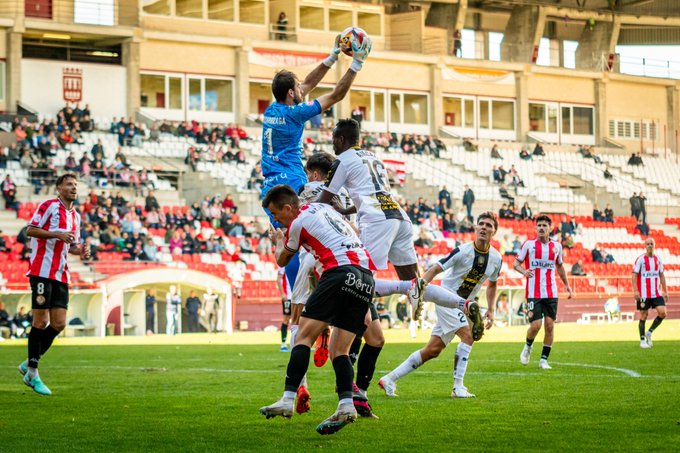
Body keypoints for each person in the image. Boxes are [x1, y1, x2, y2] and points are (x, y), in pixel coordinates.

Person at [260, 33, 371, 311]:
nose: (302, 89)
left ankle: (300, 311)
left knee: (290, 248)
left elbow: (307, 85)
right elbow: (337, 94)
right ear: (291, 94)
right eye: (297, 88)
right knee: (327, 228)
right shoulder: (294, 114)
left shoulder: (273, 110)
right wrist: (356, 63)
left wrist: (333, 56)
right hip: (293, 184)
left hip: (270, 188)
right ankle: (328, 299)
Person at [320, 119, 422, 418]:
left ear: (340, 139)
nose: (333, 144)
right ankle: (421, 294)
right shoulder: (373, 157)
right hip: (398, 216)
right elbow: (370, 194)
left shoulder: (343, 159)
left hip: (376, 220)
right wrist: (348, 209)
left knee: (361, 278)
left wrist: (318, 211)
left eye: (333, 139)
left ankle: (350, 338)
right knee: (410, 276)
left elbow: (326, 199)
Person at [259, 184, 376, 435]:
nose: (275, 219)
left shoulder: (297, 223)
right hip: (365, 277)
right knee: (339, 350)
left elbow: (282, 259)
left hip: (338, 272)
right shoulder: (324, 207)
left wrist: (278, 239)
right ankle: (346, 404)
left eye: (276, 214)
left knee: (303, 336)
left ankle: (288, 399)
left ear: (288, 208)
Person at [378, 212, 501, 398]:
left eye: (488, 225)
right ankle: (457, 387)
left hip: (465, 305)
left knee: (433, 350)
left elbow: (492, 284)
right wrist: (419, 291)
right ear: (475, 228)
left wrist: (491, 309)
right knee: (469, 336)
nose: (484, 227)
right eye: (481, 224)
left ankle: (389, 379)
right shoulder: (462, 251)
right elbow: (435, 268)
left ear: (494, 231)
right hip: (448, 300)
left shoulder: (496, 258)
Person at [17, 173, 90, 395]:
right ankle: (32, 373)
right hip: (41, 271)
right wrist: (55, 234)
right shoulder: (48, 206)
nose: (73, 188)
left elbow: (72, 245)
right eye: (69, 184)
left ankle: (29, 361)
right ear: (59, 188)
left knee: (59, 324)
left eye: (75, 185)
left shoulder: (75, 216)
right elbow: (30, 230)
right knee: (40, 322)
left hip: (61, 274)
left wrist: (82, 250)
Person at [513, 215, 573, 370]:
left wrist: (567, 285)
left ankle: (543, 360)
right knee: (535, 326)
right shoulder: (528, 245)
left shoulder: (557, 247)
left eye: (544, 225)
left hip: (551, 292)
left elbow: (560, 267)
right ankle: (528, 346)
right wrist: (524, 271)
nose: (541, 228)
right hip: (534, 292)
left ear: (550, 228)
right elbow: (516, 264)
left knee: (550, 326)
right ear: (535, 228)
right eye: (539, 225)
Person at [632, 238, 668, 348]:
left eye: (651, 243)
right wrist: (636, 290)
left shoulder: (658, 259)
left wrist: (665, 291)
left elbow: (661, 275)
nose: (649, 245)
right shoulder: (640, 259)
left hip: (656, 293)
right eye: (647, 244)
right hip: (643, 294)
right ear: (644, 246)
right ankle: (642, 341)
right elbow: (634, 275)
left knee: (663, 313)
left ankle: (649, 332)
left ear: (654, 245)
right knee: (643, 315)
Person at [277, 266, 292, 351]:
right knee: (286, 319)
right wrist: (283, 293)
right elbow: (278, 279)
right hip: (288, 296)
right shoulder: (284, 263)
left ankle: (299, 343)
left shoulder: (299, 259)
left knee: (301, 319)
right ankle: (283, 344)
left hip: (298, 296)